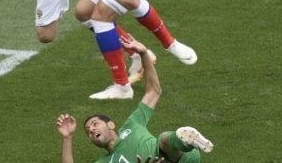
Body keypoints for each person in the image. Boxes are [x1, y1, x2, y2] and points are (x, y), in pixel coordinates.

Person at [56, 36, 213, 163]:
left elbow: (154, 92)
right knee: (164, 140)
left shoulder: (132, 124)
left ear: (111, 124)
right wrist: (67, 137)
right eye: (88, 132)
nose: (91, 130)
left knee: (164, 140)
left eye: (95, 124)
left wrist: (144, 55)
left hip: (180, 157)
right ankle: (183, 139)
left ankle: (185, 140)